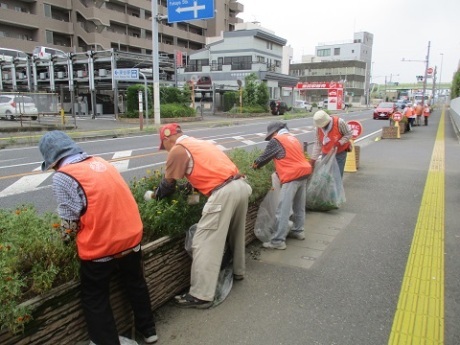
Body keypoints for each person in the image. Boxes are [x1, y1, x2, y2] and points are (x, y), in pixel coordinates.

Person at [38, 131, 158, 345]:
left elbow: (69, 223)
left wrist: (61, 243)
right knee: (135, 283)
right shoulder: (101, 162)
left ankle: (106, 342)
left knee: (95, 297)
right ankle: (148, 330)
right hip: (131, 237)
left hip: (103, 244)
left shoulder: (63, 176)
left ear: (54, 160)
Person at [152, 123, 252, 309]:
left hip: (224, 193)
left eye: (163, 145)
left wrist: (154, 196)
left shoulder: (178, 150)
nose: (164, 150)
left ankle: (201, 295)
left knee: (203, 242)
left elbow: (167, 186)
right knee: (236, 234)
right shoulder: (198, 143)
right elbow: (200, 175)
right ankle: (238, 272)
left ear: (167, 138)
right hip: (240, 185)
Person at [252, 121, 312, 250]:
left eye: (270, 135)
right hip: (305, 172)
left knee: (283, 209)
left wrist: (254, 166)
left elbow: (263, 159)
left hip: (292, 175)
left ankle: (278, 240)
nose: (270, 139)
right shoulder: (293, 138)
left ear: (275, 131)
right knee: (299, 206)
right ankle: (298, 231)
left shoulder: (277, 140)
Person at [310, 110, 352, 178]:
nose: (322, 127)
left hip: (340, 152)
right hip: (326, 153)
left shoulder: (339, 122)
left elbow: (349, 134)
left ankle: (337, 188)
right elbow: (318, 144)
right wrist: (313, 159)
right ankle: (328, 188)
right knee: (325, 174)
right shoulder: (318, 129)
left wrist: (340, 142)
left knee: (337, 174)